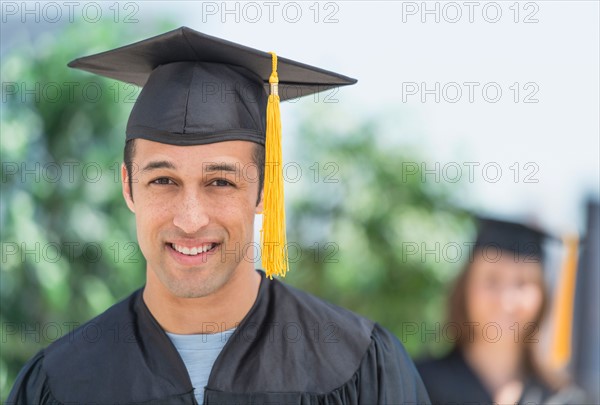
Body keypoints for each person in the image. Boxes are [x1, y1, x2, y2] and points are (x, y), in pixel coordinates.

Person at [7, 27, 430, 405]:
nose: (190, 219)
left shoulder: (358, 366)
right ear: (128, 185)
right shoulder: (60, 383)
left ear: (264, 189)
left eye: (220, 182)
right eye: (163, 181)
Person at [416, 217, 586, 404]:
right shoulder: (420, 385)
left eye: (522, 283)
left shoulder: (562, 399)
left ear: (543, 296)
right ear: (465, 288)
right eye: (492, 280)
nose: (507, 301)